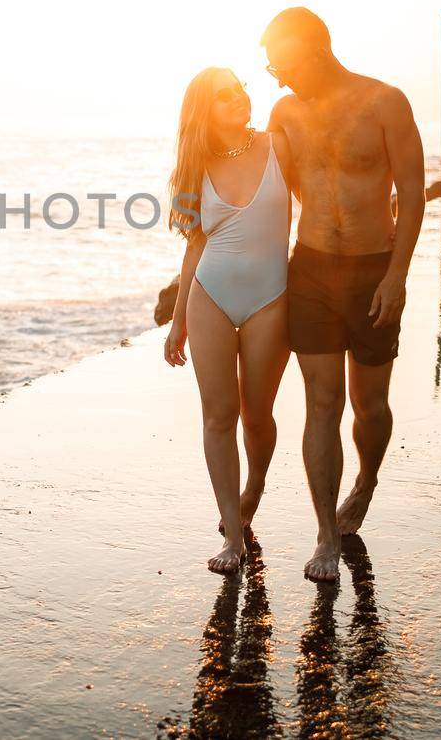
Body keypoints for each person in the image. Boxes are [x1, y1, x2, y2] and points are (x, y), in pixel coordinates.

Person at [261, 7, 426, 582]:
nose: (276, 76)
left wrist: (396, 276)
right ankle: (326, 533)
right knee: (321, 403)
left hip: (371, 270)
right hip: (309, 271)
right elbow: (266, 189)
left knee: (370, 405)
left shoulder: (385, 103)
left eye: (280, 62)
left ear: (315, 50)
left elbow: (413, 193)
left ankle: (367, 480)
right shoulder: (284, 112)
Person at [163, 68, 294, 575]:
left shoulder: (280, 144)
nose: (238, 96)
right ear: (204, 110)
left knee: (256, 415)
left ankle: (253, 487)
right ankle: (233, 537)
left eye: (240, 87)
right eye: (224, 94)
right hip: (209, 297)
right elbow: (195, 246)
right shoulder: (192, 167)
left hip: (271, 299)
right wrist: (178, 321)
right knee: (219, 417)